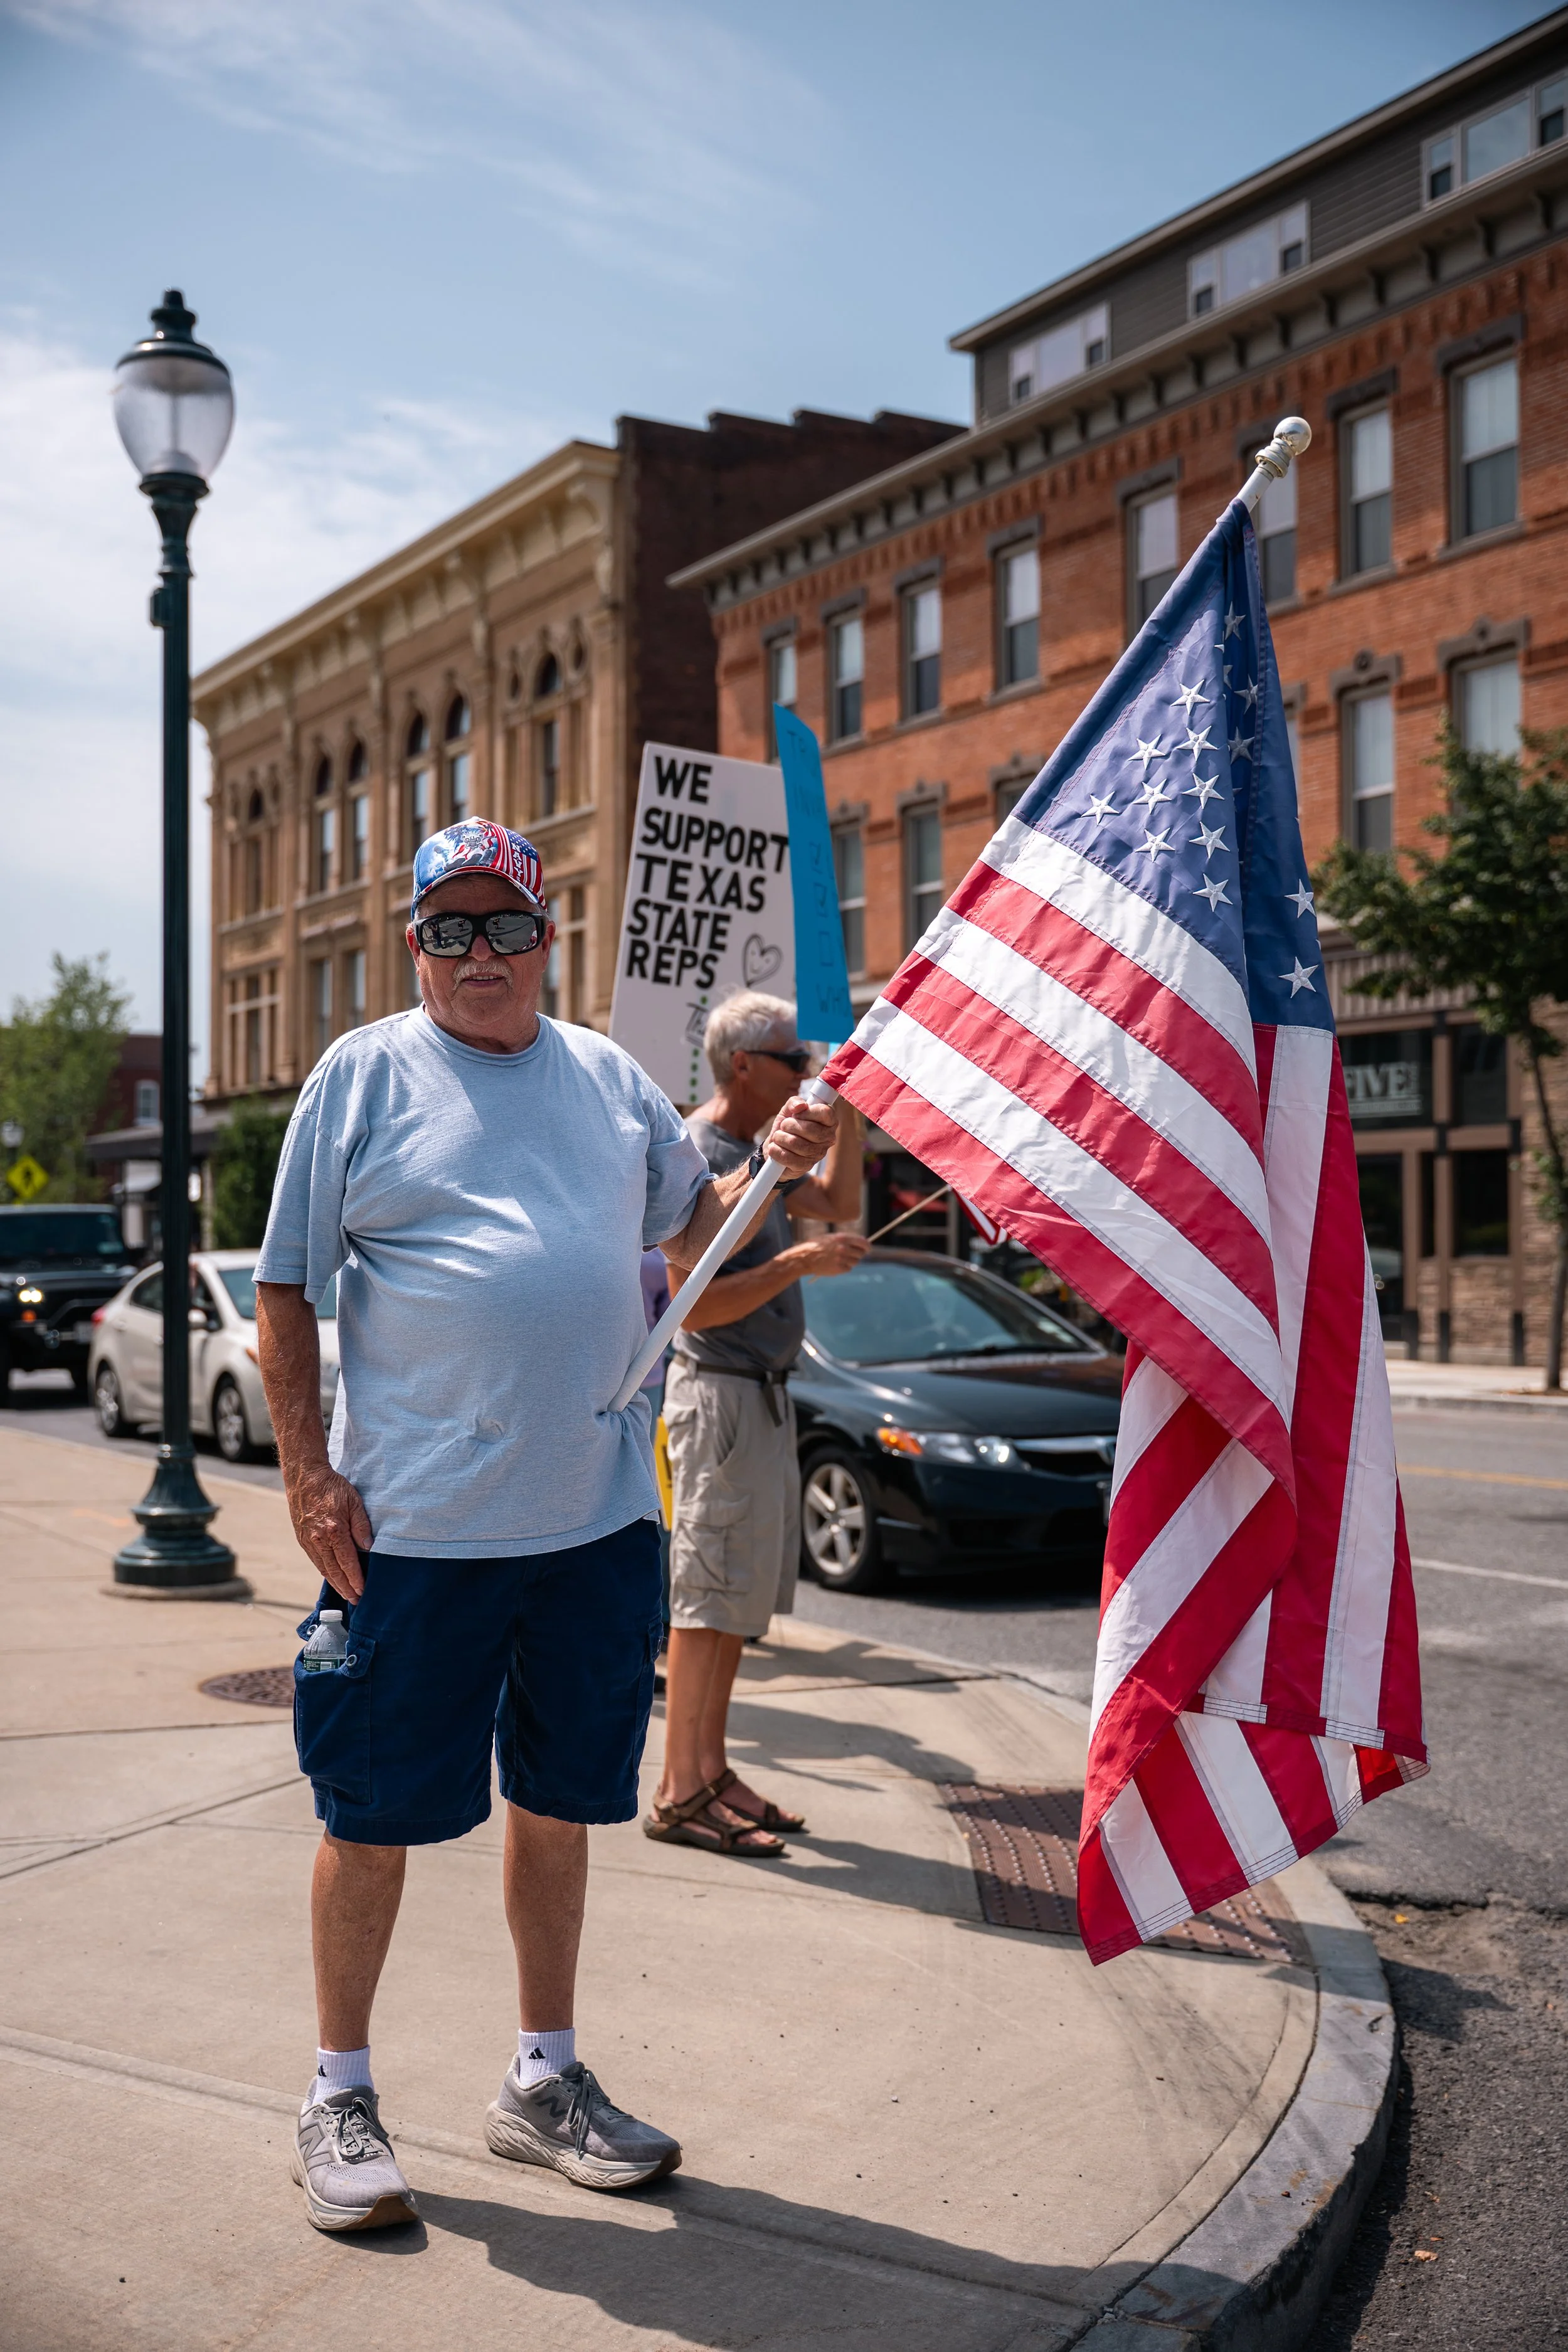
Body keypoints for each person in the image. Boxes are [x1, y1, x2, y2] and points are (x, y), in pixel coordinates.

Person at [253, 821, 837, 2233]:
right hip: (414, 1539)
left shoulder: (605, 1080)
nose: (478, 957)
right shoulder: (361, 1078)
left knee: (562, 1803)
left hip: (592, 1530)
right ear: (414, 946)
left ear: (544, 937)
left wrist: (785, 1159)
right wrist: (307, 1475)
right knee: (372, 1815)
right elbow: (284, 1288)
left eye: (503, 927)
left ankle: (543, 2081)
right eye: (447, 929)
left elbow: (693, 1258)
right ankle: (339, 2092)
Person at [645, 992, 866, 1860]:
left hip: (760, 1393)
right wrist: (800, 1259)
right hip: (720, 1393)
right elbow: (691, 1309)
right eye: (794, 1061)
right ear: (744, 1065)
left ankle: (710, 1768)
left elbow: (841, 1196)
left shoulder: (760, 1149)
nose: (803, 1073)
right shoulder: (704, 1151)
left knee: (736, 1604)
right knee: (704, 1604)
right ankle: (676, 1789)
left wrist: (840, 1103)